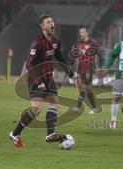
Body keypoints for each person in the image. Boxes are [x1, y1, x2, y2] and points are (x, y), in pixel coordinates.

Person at [9, 14, 76, 148]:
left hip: (48, 78)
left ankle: (50, 134)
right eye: (48, 22)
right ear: (42, 26)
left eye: (52, 21)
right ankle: (15, 134)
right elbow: (30, 64)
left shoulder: (56, 41)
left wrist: (71, 74)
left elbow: (60, 59)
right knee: (37, 109)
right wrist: (39, 81)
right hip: (35, 78)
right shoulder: (38, 43)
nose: (52, 24)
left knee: (55, 104)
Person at [71, 26, 102, 114]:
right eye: (80, 32)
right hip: (80, 67)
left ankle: (77, 107)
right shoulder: (77, 43)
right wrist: (71, 66)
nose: (81, 34)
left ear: (87, 33)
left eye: (83, 32)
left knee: (83, 87)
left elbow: (100, 54)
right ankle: (95, 108)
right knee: (87, 89)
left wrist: (99, 66)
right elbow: (75, 54)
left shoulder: (93, 43)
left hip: (89, 68)